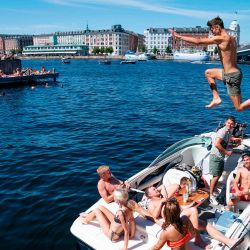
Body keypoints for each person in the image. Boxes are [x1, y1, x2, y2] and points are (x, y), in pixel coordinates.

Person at [169, 16, 250, 112]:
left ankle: (217, 98)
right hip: (232, 73)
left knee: (238, 107)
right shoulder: (232, 38)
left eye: (212, 29)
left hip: (231, 76)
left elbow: (198, 42)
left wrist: (179, 37)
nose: (211, 32)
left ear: (217, 27)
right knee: (208, 73)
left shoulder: (221, 38)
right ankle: (216, 98)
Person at [149, 199, 243, 250]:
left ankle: (199, 241)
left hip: (180, 246)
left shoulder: (166, 232)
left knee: (196, 215)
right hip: (185, 244)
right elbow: (192, 231)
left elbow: (157, 247)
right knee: (202, 221)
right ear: (179, 211)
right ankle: (227, 241)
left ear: (165, 214)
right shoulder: (185, 219)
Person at [209, 116, 241, 205]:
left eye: (232, 124)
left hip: (220, 157)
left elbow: (229, 139)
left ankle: (212, 191)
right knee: (216, 176)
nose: (230, 125)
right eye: (228, 123)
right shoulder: (223, 131)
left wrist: (237, 140)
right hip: (216, 156)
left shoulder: (228, 131)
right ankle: (210, 196)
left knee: (218, 175)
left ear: (234, 125)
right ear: (225, 123)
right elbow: (217, 144)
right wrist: (226, 152)